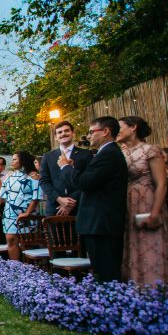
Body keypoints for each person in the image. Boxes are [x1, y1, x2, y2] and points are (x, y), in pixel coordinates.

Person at [59, 116, 127, 282]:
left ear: (105, 131)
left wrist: (65, 167)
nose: (88, 136)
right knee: (101, 270)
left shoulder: (109, 154)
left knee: (106, 273)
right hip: (99, 222)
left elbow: (84, 182)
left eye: (91, 132)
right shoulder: (106, 153)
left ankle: (109, 297)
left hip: (102, 222)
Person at [116, 116, 168, 285]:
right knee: (132, 245)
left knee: (150, 244)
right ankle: (134, 287)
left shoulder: (151, 150)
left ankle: (155, 288)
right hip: (129, 203)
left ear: (133, 127)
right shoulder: (121, 153)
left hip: (148, 201)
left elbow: (162, 183)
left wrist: (155, 212)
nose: (116, 131)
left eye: (119, 127)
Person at [0, 151, 41, 260]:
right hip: (9, 213)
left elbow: (36, 197)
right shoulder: (10, 177)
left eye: (14, 159)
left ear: (23, 160)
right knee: (10, 239)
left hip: (26, 214)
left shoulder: (33, 176)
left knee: (26, 242)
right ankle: (15, 266)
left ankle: (28, 267)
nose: (12, 161)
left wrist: (27, 212)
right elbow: (1, 196)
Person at [40, 121, 93, 217]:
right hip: (55, 208)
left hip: (79, 206)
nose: (63, 134)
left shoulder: (86, 154)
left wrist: (70, 203)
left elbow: (88, 179)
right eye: (59, 132)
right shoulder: (47, 156)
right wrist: (59, 199)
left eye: (66, 131)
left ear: (73, 133)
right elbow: (44, 181)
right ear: (56, 137)